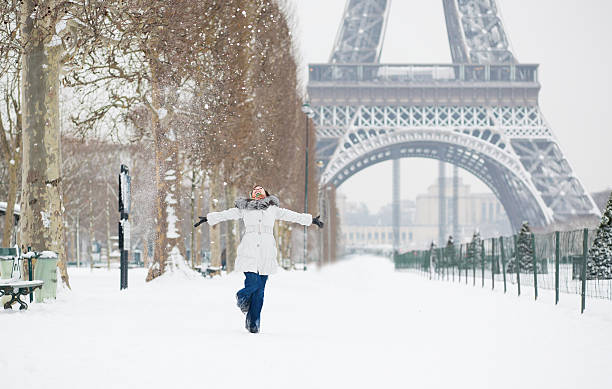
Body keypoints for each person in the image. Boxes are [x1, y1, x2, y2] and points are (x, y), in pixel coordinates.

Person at [194, 185, 324, 333]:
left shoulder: (273, 209)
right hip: (249, 250)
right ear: (251, 195)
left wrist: (311, 220)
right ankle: (241, 296)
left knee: (260, 292)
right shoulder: (245, 209)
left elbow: (292, 215)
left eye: (260, 190)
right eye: (254, 191)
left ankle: (253, 324)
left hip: (267, 252)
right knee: (253, 284)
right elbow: (226, 214)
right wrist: (208, 218)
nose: (257, 192)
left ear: (266, 194)